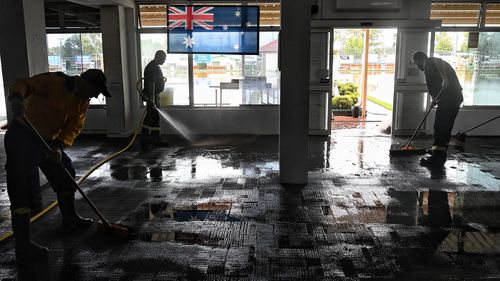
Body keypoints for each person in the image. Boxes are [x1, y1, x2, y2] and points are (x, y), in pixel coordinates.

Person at [5, 69, 112, 260]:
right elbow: (23, 83)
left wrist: (59, 147)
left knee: (65, 173)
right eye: (96, 91)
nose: (96, 96)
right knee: (22, 188)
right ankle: (23, 245)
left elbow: (73, 127)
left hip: (47, 141)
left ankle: (69, 218)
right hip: (22, 135)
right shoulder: (54, 82)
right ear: (84, 83)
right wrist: (16, 98)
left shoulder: (82, 101)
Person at [412, 51, 463, 167]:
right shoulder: (429, 70)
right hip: (449, 100)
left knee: (440, 127)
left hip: (450, 99)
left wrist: (445, 78)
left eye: (416, 63)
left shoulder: (430, 62)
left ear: (420, 60)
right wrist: (434, 100)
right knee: (443, 126)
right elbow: (434, 88)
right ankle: (439, 152)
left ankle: (437, 157)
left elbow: (438, 61)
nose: (416, 66)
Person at [141, 50, 167, 150]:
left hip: (155, 95)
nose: (164, 61)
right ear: (158, 57)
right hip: (152, 96)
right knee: (152, 117)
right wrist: (152, 99)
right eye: (163, 59)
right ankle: (148, 138)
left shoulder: (155, 66)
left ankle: (151, 138)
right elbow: (151, 84)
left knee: (151, 117)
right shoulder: (151, 68)